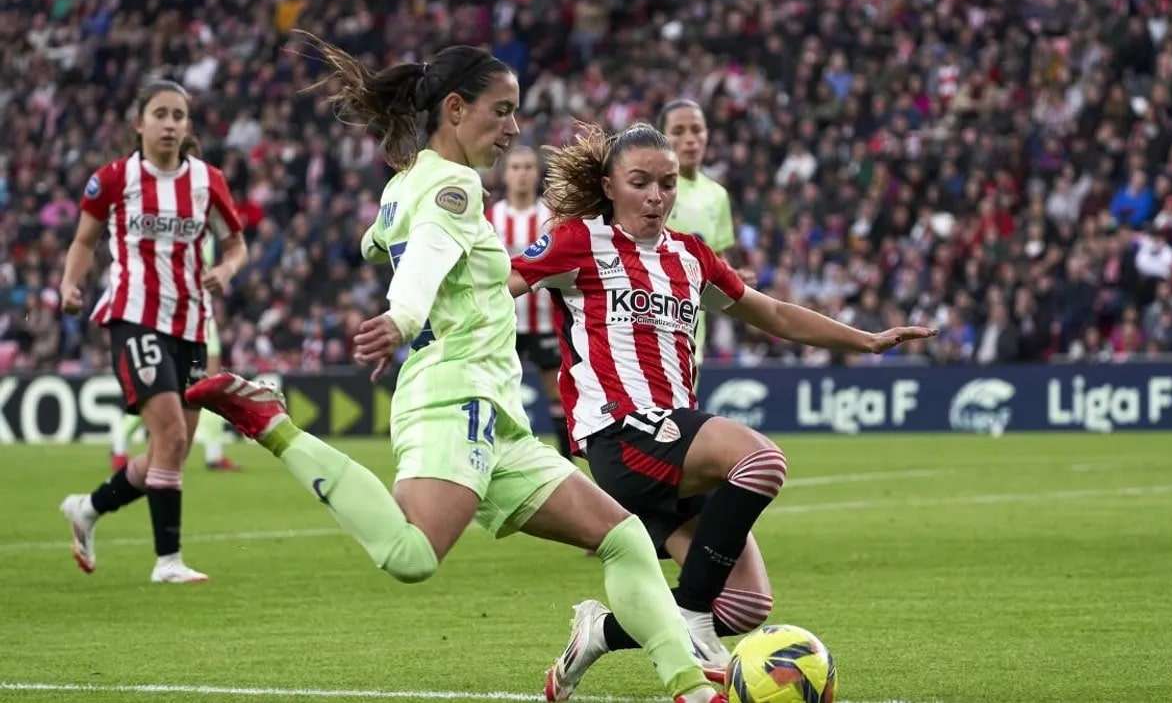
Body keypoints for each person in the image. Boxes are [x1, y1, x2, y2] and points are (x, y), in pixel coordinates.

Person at [184, 38, 725, 703]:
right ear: (455, 108)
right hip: (453, 394)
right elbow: (427, 255)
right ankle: (274, 425)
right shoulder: (454, 185)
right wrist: (404, 318)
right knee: (411, 556)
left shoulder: (404, 187)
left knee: (624, 540)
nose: (514, 129)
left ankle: (692, 689)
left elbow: (384, 238)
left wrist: (386, 249)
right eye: (502, 112)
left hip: (496, 414)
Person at [508, 122, 935, 694]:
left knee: (746, 603)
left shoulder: (691, 256)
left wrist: (865, 340)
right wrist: (419, 321)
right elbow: (500, 282)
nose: (656, 196)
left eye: (665, 183)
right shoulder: (578, 242)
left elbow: (776, 315)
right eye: (640, 182)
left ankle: (601, 632)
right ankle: (688, 618)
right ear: (609, 185)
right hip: (620, 432)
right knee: (761, 462)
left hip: (674, 441)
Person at [59, 79, 248, 583]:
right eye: (160, 114)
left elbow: (236, 247)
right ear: (139, 123)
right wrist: (70, 285)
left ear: (187, 126)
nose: (169, 124)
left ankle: (89, 508)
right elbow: (83, 240)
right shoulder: (114, 179)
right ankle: (168, 561)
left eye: (178, 115)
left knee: (175, 446)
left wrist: (226, 272)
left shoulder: (208, 181)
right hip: (133, 314)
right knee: (167, 431)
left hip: (190, 322)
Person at [110, 236, 241, 472]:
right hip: (172, 315)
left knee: (210, 385)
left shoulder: (207, 221)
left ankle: (214, 453)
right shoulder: (173, 218)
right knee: (164, 388)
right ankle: (119, 442)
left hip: (201, 313)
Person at [485, 146, 571, 457]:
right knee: (499, 390)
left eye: (528, 167)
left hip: (545, 320)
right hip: (503, 319)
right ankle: (497, 455)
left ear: (537, 173)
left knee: (558, 394)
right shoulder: (491, 217)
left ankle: (566, 462)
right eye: (516, 167)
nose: (522, 173)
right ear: (506, 174)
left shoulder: (551, 218)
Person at [658, 100, 738, 368]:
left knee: (687, 406)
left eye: (697, 130)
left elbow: (718, 260)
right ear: (662, 138)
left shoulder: (717, 196)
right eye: (678, 131)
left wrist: (733, 276)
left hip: (693, 327)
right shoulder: (651, 189)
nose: (690, 139)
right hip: (649, 318)